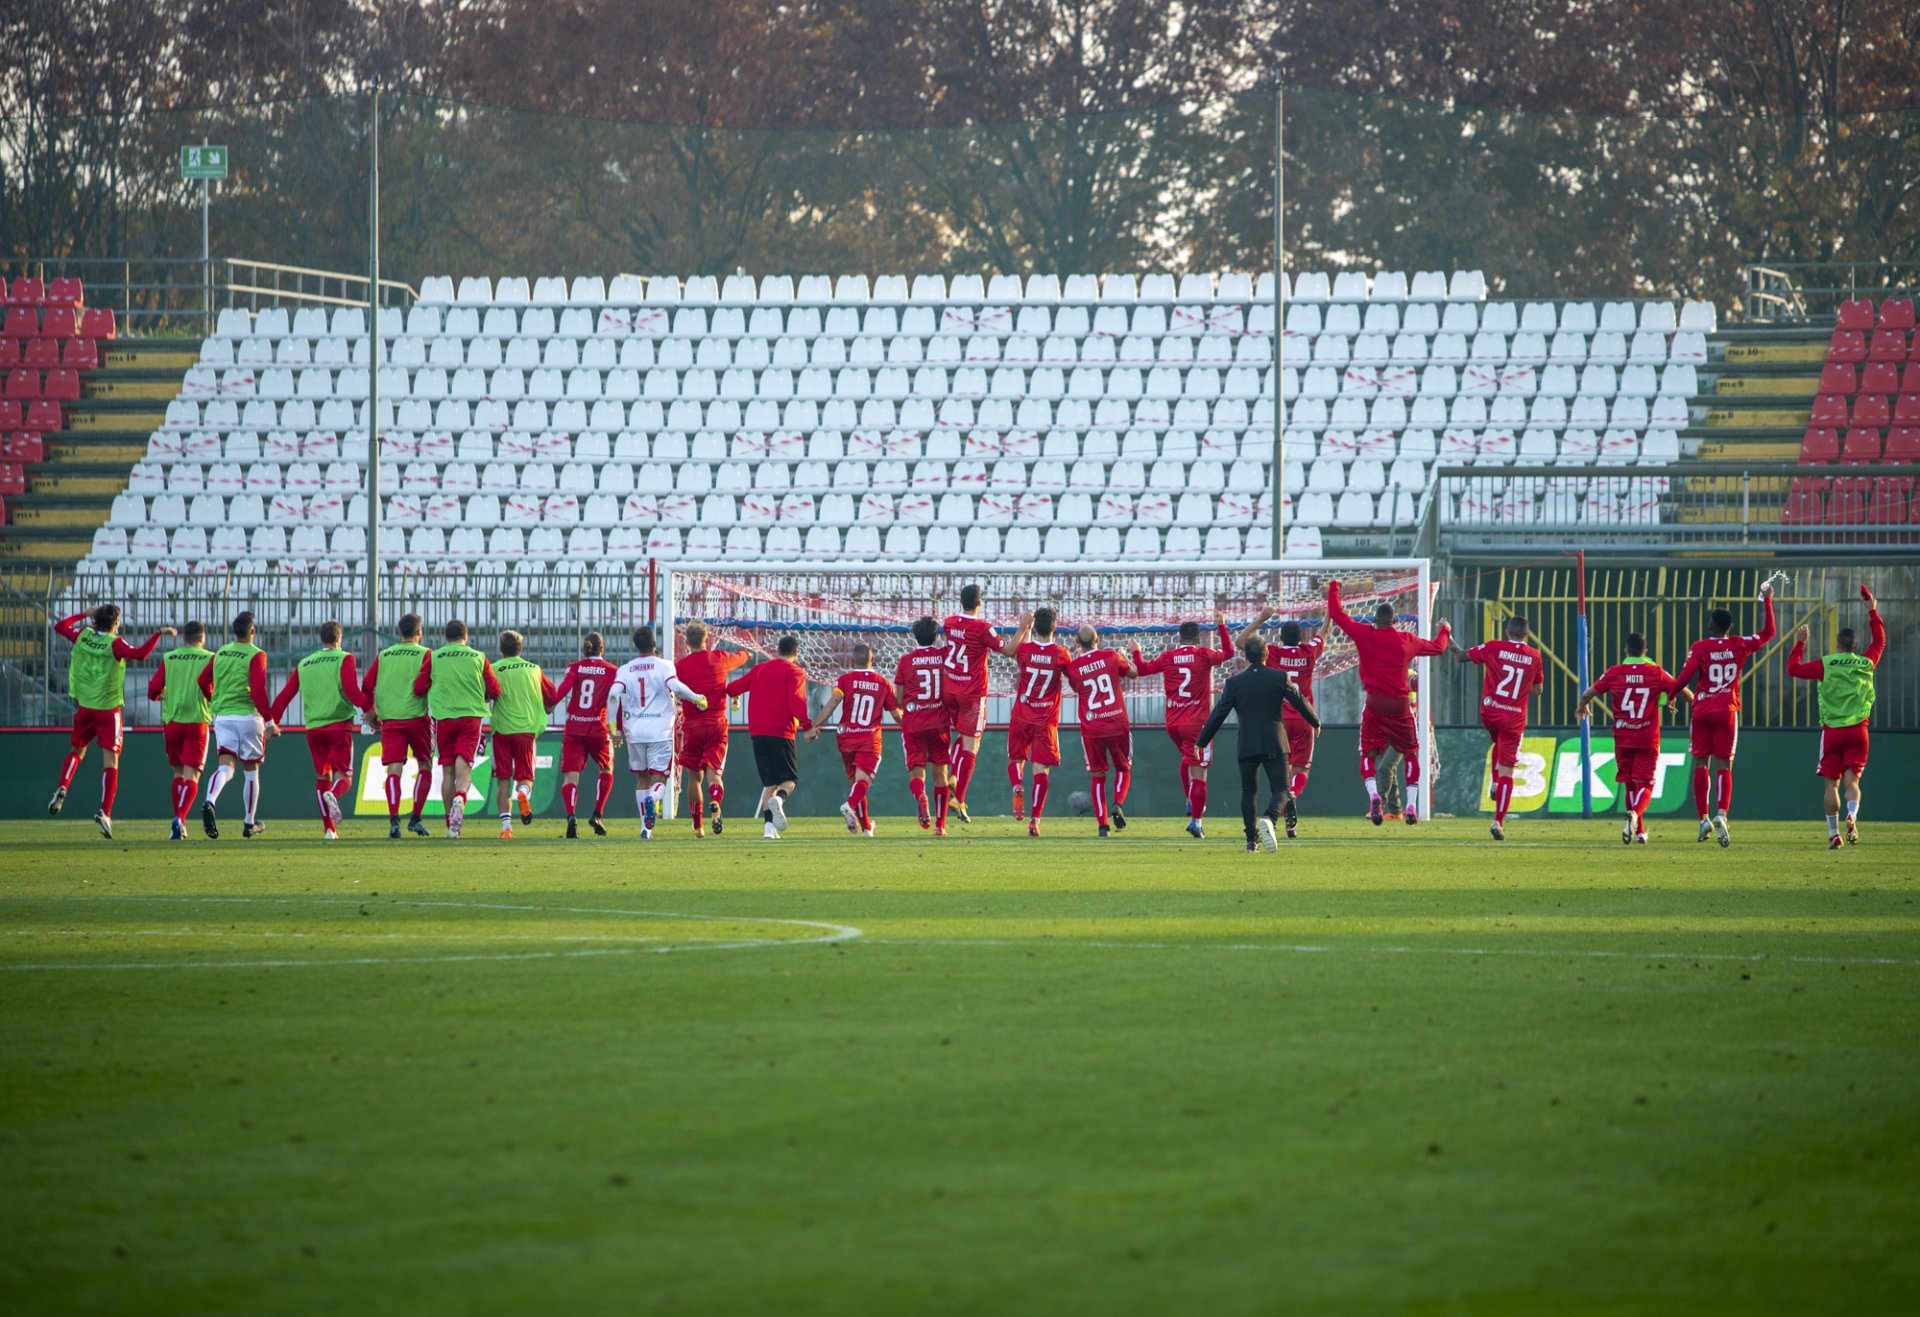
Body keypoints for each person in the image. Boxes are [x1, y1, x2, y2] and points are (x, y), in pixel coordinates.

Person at [1325, 578, 1451, 826]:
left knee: (1367, 752)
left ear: (1374, 621)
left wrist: (1334, 588)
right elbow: (1438, 648)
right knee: (1412, 753)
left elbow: (1338, 615)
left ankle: (1374, 796)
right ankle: (1412, 805)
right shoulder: (1407, 639)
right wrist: (1445, 629)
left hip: (1374, 704)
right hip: (1401, 705)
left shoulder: (1365, 634)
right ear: (1395, 621)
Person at [49, 603, 173, 838]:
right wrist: (158, 633)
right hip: (108, 710)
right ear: (116, 623)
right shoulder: (115, 644)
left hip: (84, 706)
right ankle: (105, 812)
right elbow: (141, 654)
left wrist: (83, 615)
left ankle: (63, 786)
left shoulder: (83, 636)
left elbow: (59, 626)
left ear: (96, 620)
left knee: (77, 750)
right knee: (111, 763)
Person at [1672, 580, 1777, 847]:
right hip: (1727, 710)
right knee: (1724, 765)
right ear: (1730, 627)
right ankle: (1721, 814)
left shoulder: (1699, 647)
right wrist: (1767, 600)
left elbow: (1684, 677)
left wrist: (1671, 695)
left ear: (1711, 626)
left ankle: (1702, 818)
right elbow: (1769, 632)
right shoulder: (1739, 644)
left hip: (1702, 709)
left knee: (1700, 764)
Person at [1196, 634, 1323, 852]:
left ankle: (1251, 840)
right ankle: (1269, 818)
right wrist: (1315, 721)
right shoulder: (1279, 677)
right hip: (1275, 741)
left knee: (1248, 792)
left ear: (1246, 657)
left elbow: (1218, 713)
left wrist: (1202, 741)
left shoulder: (1234, 683)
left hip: (1247, 743)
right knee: (1282, 789)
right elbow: (1300, 700)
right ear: (1267, 655)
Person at [1785, 586, 1885, 848]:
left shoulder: (1826, 663)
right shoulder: (1866, 663)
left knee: (1831, 785)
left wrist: (1800, 642)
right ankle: (1852, 816)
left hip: (1832, 731)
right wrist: (1872, 610)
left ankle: (1834, 834)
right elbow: (1879, 642)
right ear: (1855, 645)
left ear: (1837, 644)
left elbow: (1793, 669)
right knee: (1853, 781)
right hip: (1858, 730)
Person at [1576, 632, 1691, 845]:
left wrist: (1582, 707)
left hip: (1623, 737)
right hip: (1647, 737)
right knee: (1645, 784)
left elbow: (1588, 693)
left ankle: (1639, 831)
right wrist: (1683, 701)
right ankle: (1635, 815)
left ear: (1625, 651)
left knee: (1630, 784)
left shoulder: (1615, 672)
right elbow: (1683, 690)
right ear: (1645, 651)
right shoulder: (1655, 672)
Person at [1131, 611, 1233, 839]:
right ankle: (1196, 822)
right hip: (1197, 726)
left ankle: (1191, 799)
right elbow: (1229, 652)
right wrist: (1221, 627)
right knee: (1200, 773)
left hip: (1173, 725)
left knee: (1188, 759)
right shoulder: (1204, 655)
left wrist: (1135, 652)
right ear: (1198, 639)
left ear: (1179, 639)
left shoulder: (1169, 657)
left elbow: (1144, 669)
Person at [267, 620, 370, 841]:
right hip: (339, 726)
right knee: (345, 778)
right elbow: (352, 691)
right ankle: (333, 794)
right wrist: (370, 710)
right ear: (339, 638)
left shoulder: (305, 663)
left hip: (314, 729)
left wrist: (272, 722)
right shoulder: (345, 658)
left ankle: (329, 829)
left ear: (321, 638)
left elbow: (285, 695)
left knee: (322, 775)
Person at [1451, 614, 1545, 842]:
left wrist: (1447, 633)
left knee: (1497, 744)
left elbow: (1461, 656)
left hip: (1490, 712)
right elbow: (1538, 690)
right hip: (1513, 719)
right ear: (1528, 634)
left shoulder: (1494, 647)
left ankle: (1494, 782)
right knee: (1507, 771)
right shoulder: (1535, 656)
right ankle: (1498, 821)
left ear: (1507, 632)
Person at [609, 626, 707, 839]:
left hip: (634, 732)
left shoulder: (625, 669)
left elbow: (614, 695)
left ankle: (646, 828)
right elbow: (676, 687)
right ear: (654, 645)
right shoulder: (664, 665)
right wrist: (697, 698)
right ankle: (653, 800)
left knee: (642, 779)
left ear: (636, 645)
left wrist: (612, 727)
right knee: (659, 779)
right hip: (660, 731)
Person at [1236, 611, 1326, 837]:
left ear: (1281, 638)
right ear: (1301, 637)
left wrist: (1261, 619)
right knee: (1301, 770)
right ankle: (1292, 796)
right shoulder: (1309, 651)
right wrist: (1330, 614)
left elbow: (1241, 642)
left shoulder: (1272, 653)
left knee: (1282, 774)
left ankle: (1288, 819)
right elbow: (1324, 632)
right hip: (1304, 718)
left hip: (1280, 721)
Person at [198, 611, 279, 839]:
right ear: (252, 631)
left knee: (226, 768)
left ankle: (209, 801)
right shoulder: (257, 654)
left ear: (234, 632)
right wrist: (270, 721)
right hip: (248, 718)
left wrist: (214, 699)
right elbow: (258, 690)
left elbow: (203, 681)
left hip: (223, 717)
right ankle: (249, 822)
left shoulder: (220, 652)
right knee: (251, 773)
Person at [808, 642, 902, 836]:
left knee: (856, 783)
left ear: (852, 660)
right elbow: (896, 715)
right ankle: (848, 805)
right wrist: (911, 727)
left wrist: (814, 724)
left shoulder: (845, 680)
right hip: (869, 738)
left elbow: (831, 705)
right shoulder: (883, 682)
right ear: (872, 659)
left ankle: (867, 827)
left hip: (846, 737)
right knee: (863, 782)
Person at [726, 635, 812, 841]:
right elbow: (796, 701)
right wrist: (808, 726)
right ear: (796, 653)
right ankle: (780, 801)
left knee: (769, 784)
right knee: (789, 781)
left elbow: (732, 689)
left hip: (757, 733)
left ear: (777, 650)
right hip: (781, 732)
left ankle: (768, 829)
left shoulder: (759, 669)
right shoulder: (795, 672)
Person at [362, 613, 437, 839]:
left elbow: (366, 685)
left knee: (394, 770)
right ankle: (415, 818)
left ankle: (394, 821)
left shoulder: (384, 655)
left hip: (391, 720)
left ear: (399, 633)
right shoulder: (426, 654)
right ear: (420, 633)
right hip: (417, 717)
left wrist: (373, 710)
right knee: (425, 765)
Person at [674, 620, 752, 836]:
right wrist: (746, 653)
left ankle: (698, 826)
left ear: (687, 642)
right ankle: (715, 803)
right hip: (716, 723)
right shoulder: (719, 658)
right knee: (714, 774)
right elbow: (742, 657)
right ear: (706, 638)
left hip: (692, 726)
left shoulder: (680, 666)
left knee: (693, 778)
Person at [426, 619, 501, 841]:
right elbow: (495, 690)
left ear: (445, 638)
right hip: (470, 718)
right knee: (464, 771)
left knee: (447, 772)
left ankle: (451, 825)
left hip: (444, 717)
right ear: (465, 637)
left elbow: (420, 685)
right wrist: (483, 695)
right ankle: (461, 796)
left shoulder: (434, 657)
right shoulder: (478, 657)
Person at [1064, 624, 1137, 838]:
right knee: (1123, 768)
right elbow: (1134, 673)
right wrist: (1125, 655)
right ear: (1098, 640)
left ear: (1077, 643)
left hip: (1092, 727)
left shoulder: (1073, 667)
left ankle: (1102, 826)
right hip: (1117, 721)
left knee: (1097, 776)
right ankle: (1117, 803)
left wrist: (1080, 660)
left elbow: (1078, 686)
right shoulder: (1112, 656)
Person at [942, 583, 1007, 823]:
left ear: (961, 601)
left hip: (950, 689)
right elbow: (1009, 650)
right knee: (972, 744)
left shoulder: (949, 623)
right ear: (980, 603)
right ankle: (958, 797)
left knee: (962, 736)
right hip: (972, 694)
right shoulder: (983, 628)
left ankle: (954, 776)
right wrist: (1024, 627)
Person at [549, 632, 620, 838]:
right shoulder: (611, 671)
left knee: (571, 775)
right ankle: (597, 813)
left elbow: (562, 691)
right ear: (602, 649)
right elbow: (615, 699)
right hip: (598, 728)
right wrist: (616, 729)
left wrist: (550, 704)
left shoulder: (575, 667)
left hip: (574, 728)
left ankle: (571, 815)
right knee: (606, 768)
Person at [490, 629, 557, 840]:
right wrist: (547, 709)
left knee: (502, 781)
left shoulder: (494, 669)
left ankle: (506, 828)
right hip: (526, 731)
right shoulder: (534, 670)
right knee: (525, 777)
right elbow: (552, 697)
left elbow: (485, 695)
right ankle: (523, 794)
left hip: (501, 730)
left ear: (501, 649)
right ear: (520, 648)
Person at [148, 619, 211, 840]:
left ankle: (178, 822)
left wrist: (163, 695)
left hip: (172, 722)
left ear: (184, 638)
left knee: (177, 773)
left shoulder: (170, 657)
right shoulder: (209, 658)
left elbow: (153, 690)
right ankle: (180, 819)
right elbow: (212, 688)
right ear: (202, 638)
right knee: (192, 775)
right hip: (197, 721)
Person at [1007, 608, 1066, 837]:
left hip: (1022, 714)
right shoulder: (1061, 654)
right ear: (1054, 627)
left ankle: (1017, 785)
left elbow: (1022, 650)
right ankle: (1034, 820)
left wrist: (1025, 627)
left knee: (1015, 758)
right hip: (1045, 719)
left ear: (1036, 627)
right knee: (1041, 769)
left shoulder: (1024, 650)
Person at [895, 616, 954, 834]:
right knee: (941, 774)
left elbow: (899, 699)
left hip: (914, 723)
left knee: (916, 771)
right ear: (935, 636)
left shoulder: (906, 661)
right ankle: (940, 826)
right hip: (939, 722)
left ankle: (921, 796)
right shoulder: (943, 656)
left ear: (915, 636)